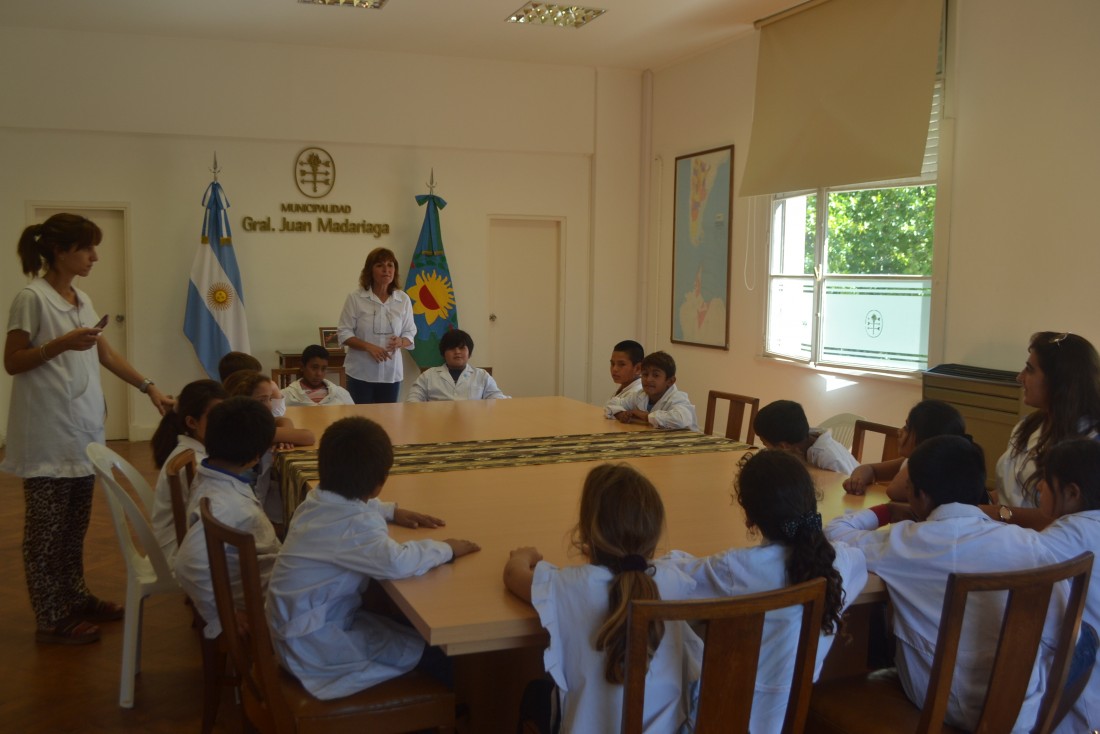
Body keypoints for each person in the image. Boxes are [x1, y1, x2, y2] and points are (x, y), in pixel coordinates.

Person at [2, 213, 172, 645]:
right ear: (60, 252)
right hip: (46, 431)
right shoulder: (32, 298)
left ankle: (75, 596)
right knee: (45, 529)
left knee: (74, 523)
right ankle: (51, 615)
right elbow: (13, 361)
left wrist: (149, 387)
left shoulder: (81, 298)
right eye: (86, 249)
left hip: (81, 429)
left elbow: (106, 355)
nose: (95, 257)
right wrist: (61, 343)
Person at [825, 435, 1068, 731]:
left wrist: (888, 510)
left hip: (943, 706)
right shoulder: (1029, 543)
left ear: (921, 496)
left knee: (834, 682)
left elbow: (835, 533)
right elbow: (1059, 633)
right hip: (1024, 709)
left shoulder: (908, 544)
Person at [267, 417, 480, 699]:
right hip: (314, 649)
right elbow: (397, 562)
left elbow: (348, 508)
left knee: (405, 628)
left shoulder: (316, 500)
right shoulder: (354, 526)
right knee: (440, 654)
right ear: (380, 483)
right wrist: (447, 548)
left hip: (297, 631)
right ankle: (448, 714)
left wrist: (390, 511)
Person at [667, 450, 867, 734]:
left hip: (717, 721)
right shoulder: (839, 564)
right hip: (786, 723)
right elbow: (858, 554)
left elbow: (669, 579)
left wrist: (676, 556)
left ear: (750, 517)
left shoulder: (733, 569)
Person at [503, 463, 703, 734]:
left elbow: (514, 576)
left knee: (534, 693)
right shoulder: (674, 580)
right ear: (654, 539)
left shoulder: (568, 585)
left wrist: (522, 555)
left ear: (586, 534)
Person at [173, 396, 279, 638]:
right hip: (261, 598)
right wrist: (223, 615)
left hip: (256, 580)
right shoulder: (226, 506)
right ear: (255, 457)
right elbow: (187, 564)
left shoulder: (210, 472)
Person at [996, 331, 1100, 509]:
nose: (1020, 377)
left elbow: (1069, 521)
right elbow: (1011, 492)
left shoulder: (1090, 443)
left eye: (1029, 370)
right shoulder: (1027, 426)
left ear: (1058, 381)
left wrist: (998, 514)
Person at [149, 379, 227, 560]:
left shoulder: (196, 448)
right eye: (215, 417)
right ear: (192, 422)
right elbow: (214, 518)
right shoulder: (194, 464)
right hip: (183, 551)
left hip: (189, 540)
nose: (224, 423)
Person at [337, 247, 416, 404]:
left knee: (388, 422)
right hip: (360, 372)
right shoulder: (356, 298)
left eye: (390, 265)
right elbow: (344, 333)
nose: (386, 270)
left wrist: (401, 341)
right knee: (361, 422)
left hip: (391, 374)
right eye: (380, 265)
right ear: (369, 271)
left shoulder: (403, 299)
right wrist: (369, 347)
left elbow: (410, 332)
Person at [843, 399, 967, 499]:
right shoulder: (907, 461)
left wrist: (918, 455)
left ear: (925, 439)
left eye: (907, 428)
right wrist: (857, 480)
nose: (899, 431)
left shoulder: (933, 469)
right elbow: (870, 469)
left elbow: (894, 491)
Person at [754, 400, 859, 475]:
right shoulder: (804, 440)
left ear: (783, 446)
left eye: (765, 444)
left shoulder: (830, 461)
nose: (766, 448)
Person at [604, 351, 698, 431]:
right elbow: (612, 403)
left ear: (670, 381)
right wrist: (620, 413)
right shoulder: (640, 395)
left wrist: (646, 416)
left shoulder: (678, 398)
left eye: (656, 375)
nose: (648, 379)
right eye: (645, 374)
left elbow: (680, 420)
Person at [406, 329, 508, 402]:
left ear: (469, 352)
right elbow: (413, 400)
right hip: (438, 426)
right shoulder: (428, 376)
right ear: (443, 353)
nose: (457, 352)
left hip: (473, 427)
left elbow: (497, 399)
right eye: (451, 348)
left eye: (462, 348)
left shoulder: (482, 375)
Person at [281, 344, 353, 407]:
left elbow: (352, 417)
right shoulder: (286, 395)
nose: (319, 374)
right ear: (302, 367)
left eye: (323, 369)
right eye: (314, 368)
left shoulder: (340, 393)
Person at [607, 339, 644, 404]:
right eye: (612, 364)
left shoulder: (638, 394)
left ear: (638, 368)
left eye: (621, 364)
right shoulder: (625, 386)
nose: (614, 369)